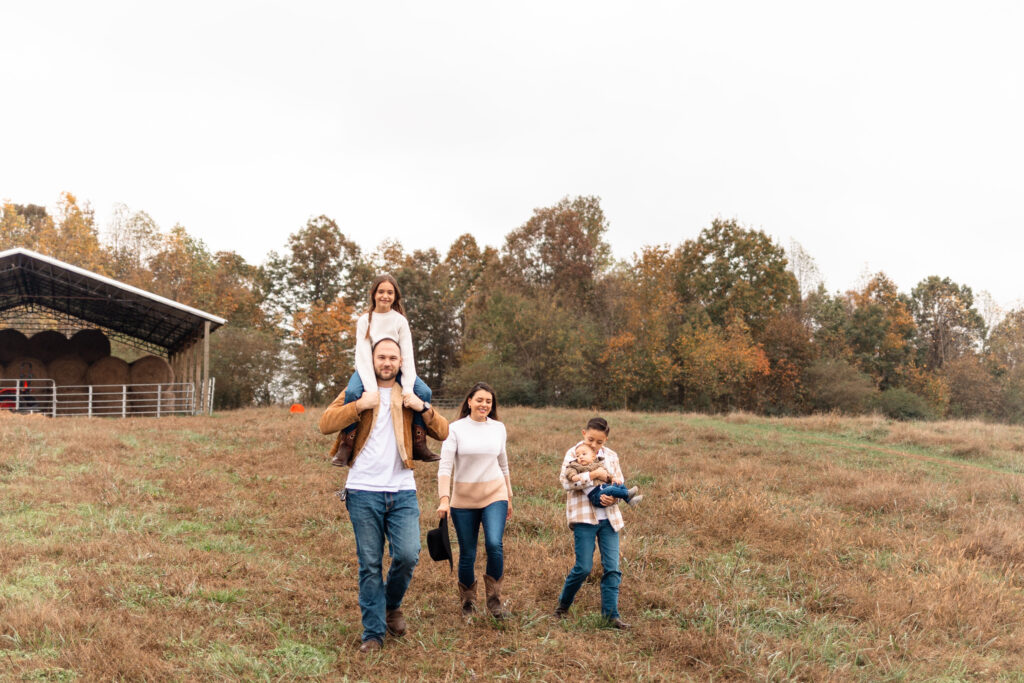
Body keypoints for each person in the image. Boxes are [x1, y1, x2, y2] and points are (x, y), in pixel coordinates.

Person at [318, 336, 450, 652]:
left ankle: (391, 605)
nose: (387, 362)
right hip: (362, 491)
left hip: (402, 490)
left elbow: (444, 432)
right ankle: (373, 634)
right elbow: (325, 423)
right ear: (372, 360)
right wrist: (359, 405)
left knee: (407, 554)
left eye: (393, 357)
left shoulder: (411, 393)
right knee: (369, 564)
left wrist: (423, 408)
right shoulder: (358, 390)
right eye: (381, 357)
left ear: (401, 361)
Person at [331, 274, 437, 466]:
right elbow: (363, 356)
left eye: (390, 292)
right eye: (381, 292)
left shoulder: (400, 321)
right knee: (354, 392)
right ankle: (346, 443)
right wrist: (371, 390)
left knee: (424, 392)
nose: (385, 296)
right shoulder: (365, 320)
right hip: (369, 369)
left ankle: (419, 441)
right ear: (374, 294)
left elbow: (407, 356)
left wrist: (407, 388)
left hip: (395, 368)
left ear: (395, 296)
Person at [436, 382, 513, 619]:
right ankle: (468, 601)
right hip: (463, 500)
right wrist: (444, 499)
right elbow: (445, 466)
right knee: (467, 552)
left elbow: (503, 463)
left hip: (495, 494)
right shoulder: (455, 429)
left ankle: (494, 600)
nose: (484, 405)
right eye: (480, 400)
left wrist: (509, 496)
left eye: (488, 401)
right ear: (469, 401)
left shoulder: (498, 428)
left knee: (493, 544)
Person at [554, 417, 631, 629]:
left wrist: (613, 497)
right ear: (583, 434)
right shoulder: (574, 453)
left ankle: (611, 616)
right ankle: (563, 605)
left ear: (605, 440)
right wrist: (593, 474)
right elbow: (566, 483)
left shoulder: (612, 456)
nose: (594, 446)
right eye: (591, 440)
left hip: (609, 519)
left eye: (600, 442)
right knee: (583, 567)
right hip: (584, 519)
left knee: (612, 567)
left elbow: (618, 480)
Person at [565, 443, 643, 508]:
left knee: (618, 483)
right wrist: (573, 476)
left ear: (593, 457)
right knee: (611, 489)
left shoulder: (598, 465)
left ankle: (630, 501)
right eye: (577, 456)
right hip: (595, 496)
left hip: (603, 488)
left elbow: (606, 474)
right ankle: (626, 494)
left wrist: (613, 478)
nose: (580, 457)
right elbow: (570, 471)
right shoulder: (575, 465)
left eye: (584, 454)